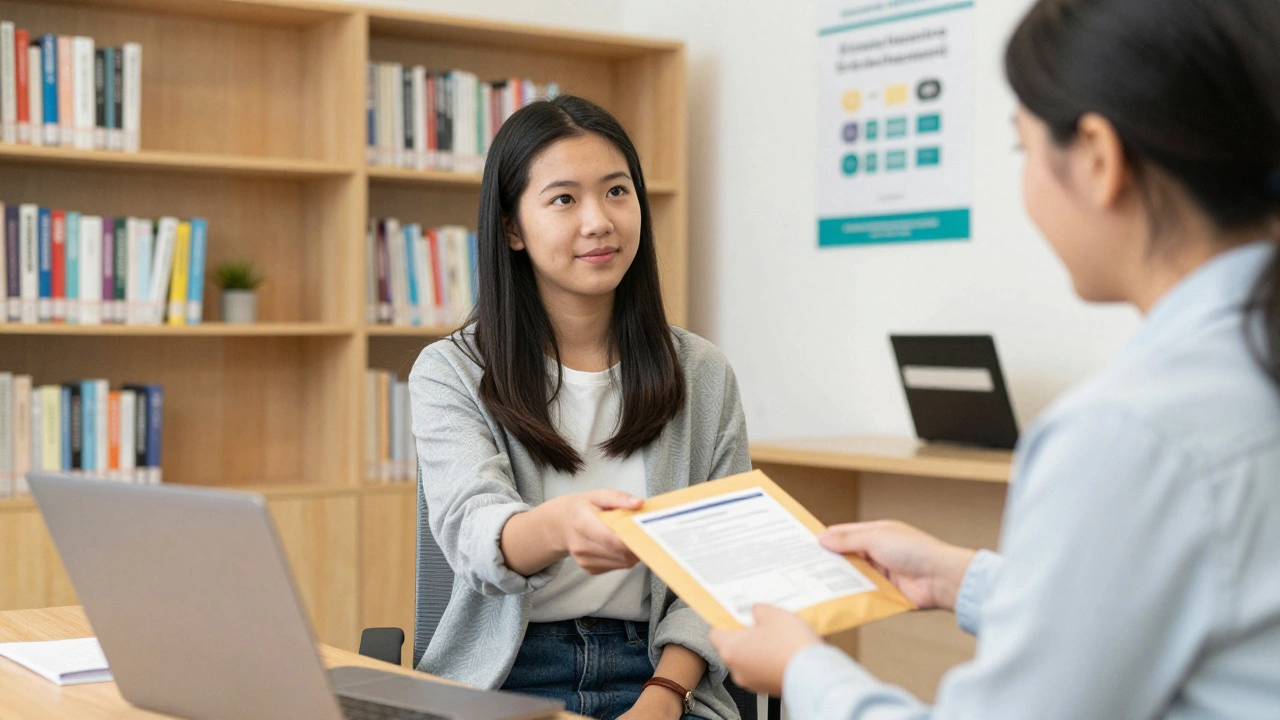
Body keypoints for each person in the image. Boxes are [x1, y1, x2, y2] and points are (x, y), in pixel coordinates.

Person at [708, 0, 1280, 717]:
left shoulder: (1126, 432)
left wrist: (804, 671)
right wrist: (964, 578)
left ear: (1100, 159)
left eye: (1023, 149)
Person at [409, 94, 749, 720]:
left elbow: (720, 571)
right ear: (512, 227)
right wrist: (561, 528)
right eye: (564, 199)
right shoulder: (452, 371)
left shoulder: (701, 374)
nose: (599, 221)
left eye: (617, 192)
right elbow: (474, 528)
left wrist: (666, 695)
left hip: (658, 670)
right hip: (506, 674)